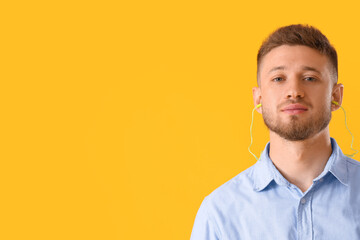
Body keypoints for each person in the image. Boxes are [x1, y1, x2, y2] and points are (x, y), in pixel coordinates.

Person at [190, 24, 360, 240]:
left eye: (309, 78)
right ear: (258, 98)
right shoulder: (220, 212)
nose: (294, 92)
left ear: (336, 95)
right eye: (279, 78)